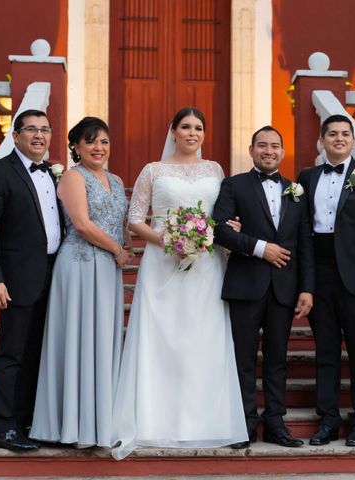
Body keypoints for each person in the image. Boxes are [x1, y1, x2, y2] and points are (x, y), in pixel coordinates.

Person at [111, 107, 247, 460]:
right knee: (163, 338)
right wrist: (170, 240)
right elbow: (135, 219)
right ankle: (156, 420)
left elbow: (221, 217)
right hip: (163, 263)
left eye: (198, 128)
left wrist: (222, 230)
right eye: (185, 127)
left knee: (204, 338)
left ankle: (206, 422)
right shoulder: (153, 171)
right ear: (172, 131)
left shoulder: (215, 170)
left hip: (206, 264)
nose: (192, 133)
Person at [29, 117, 131, 448]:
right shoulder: (73, 177)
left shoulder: (116, 180)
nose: (98, 148)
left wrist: (125, 245)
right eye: (90, 142)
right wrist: (117, 249)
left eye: (103, 141)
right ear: (76, 146)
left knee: (101, 341)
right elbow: (83, 225)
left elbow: (121, 220)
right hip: (80, 265)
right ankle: (71, 426)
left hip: (108, 270)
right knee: (77, 339)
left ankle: (98, 424)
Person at [212, 126, 314, 449]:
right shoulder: (233, 185)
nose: (268, 151)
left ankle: (275, 424)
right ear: (252, 149)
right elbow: (219, 230)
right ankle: (243, 425)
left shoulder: (295, 190)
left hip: (284, 287)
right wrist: (260, 247)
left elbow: (304, 245)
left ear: (282, 152)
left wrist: (306, 288)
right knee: (243, 357)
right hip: (246, 284)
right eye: (262, 145)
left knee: (276, 358)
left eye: (275, 146)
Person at [0, 109, 63, 451]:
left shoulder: (54, 175)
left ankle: (26, 422)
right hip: (16, 280)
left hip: (53, 278)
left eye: (45, 129)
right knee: (12, 354)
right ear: (16, 136)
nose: (39, 136)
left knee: (38, 353)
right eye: (31, 130)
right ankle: (4, 429)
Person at [297, 114, 355, 447]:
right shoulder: (306, 178)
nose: (338, 138)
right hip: (319, 273)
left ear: (353, 141)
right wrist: (304, 282)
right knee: (326, 351)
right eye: (331, 134)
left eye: (344, 134)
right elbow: (301, 231)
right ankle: (328, 420)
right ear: (321, 141)